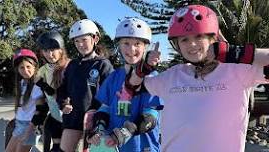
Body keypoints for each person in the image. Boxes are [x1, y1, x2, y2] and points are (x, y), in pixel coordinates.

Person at [126, 5, 269, 152]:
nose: (192, 44)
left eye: (199, 36)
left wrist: (236, 53)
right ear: (177, 45)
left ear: (213, 38)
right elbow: (131, 87)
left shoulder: (237, 71)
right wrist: (144, 68)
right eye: (184, 40)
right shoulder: (172, 76)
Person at [86, 18, 163, 152]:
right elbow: (105, 109)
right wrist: (98, 129)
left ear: (145, 47)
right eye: (126, 43)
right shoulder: (114, 77)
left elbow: (150, 118)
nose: (131, 49)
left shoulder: (152, 77)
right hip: (114, 147)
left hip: (143, 147)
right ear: (119, 46)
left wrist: (125, 132)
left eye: (137, 44)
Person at [56, 19, 114, 152]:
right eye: (76, 41)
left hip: (95, 121)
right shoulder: (72, 65)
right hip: (73, 118)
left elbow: (110, 95)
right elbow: (62, 89)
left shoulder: (103, 65)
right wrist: (63, 104)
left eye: (84, 40)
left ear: (95, 38)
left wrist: (97, 116)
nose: (80, 44)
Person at [35, 31, 70, 152]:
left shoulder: (69, 66)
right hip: (54, 114)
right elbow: (36, 81)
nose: (49, 54)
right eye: (45, 51)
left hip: (69, 114)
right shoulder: (44, 69)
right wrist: (44, 86)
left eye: (53, 49)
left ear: (61, 49)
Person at [5, 49, 43, 152]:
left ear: (35, 67)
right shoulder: (22, 83)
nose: (25, 70)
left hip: (31, 126)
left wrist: (31, 128)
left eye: (28, 67)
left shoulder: (38, 85)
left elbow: (40, 110)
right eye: (21, 67)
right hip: (19, 124)